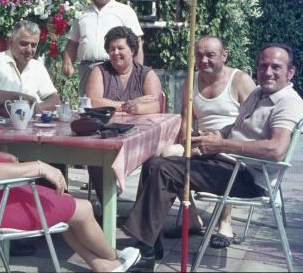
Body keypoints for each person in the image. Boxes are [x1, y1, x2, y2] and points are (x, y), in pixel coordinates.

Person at [0, 34, 142, 272]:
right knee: (82, 208)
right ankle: (118, 259)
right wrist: (41, 166)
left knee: (64, 206)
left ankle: (102, 266)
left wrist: (3, 158)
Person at [122, 43, 303, 271]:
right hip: (228, 162)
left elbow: (276, 149)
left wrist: (222, 144)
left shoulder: (289, 102)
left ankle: (143, 254)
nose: (267, 72)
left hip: (250, 178)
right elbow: (238, 126)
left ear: (290, 72)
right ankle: (150, 243)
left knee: (165, 170)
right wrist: (218, 135)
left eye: (276, 67)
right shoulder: (259, 92)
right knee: (153, 162)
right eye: (263, 66)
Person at [162, 36, 256, 249]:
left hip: (231, 143)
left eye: (210, 55)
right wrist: (188, 138)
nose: (204, 60)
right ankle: (192, 217)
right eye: (199, 55)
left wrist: (222, 137)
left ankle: (225, 222)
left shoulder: (240, 80)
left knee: (224, 160)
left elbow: (253, 122)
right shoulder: (191, 81)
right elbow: (186, 119)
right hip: (200, 142)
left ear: (224, 55)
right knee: (166, 154)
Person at [85, 26, 162, 202]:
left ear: (133, 50)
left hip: (141, 135)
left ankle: (141, 212)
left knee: (157, 160)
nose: (116, 53)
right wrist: (129, 104)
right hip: (107, 133)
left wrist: (139, 108)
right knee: (94, 153)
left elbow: (155, 105)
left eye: (121, 48)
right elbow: (94, 101)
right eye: (111, 49)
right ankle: (107, 204)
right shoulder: (100, 71)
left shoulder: (146, 74)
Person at [62, 0, 145, 96]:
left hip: (113, 69)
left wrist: (136, 74)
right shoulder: (81, 12)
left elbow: (137, 44)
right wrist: (67, 63)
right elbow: (72, 43)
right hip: (86, 70)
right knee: (88, 109)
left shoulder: (125, 11)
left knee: (114, 108)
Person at [0, 20, 61, 118]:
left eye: (34, 45)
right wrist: (24, 113)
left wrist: (30, 111)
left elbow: (55, 101)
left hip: (21, 123)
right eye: (24, 44)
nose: (29, 50)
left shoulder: (37, 67)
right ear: (11, 41)